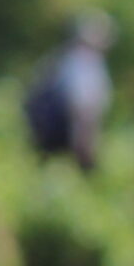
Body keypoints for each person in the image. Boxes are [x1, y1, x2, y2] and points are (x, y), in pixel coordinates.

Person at [26, 12, 115, 171]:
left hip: (48, 136)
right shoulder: (84, 62)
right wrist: (85, 145)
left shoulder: (62, 58)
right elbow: (83, 108)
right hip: (65, 137)